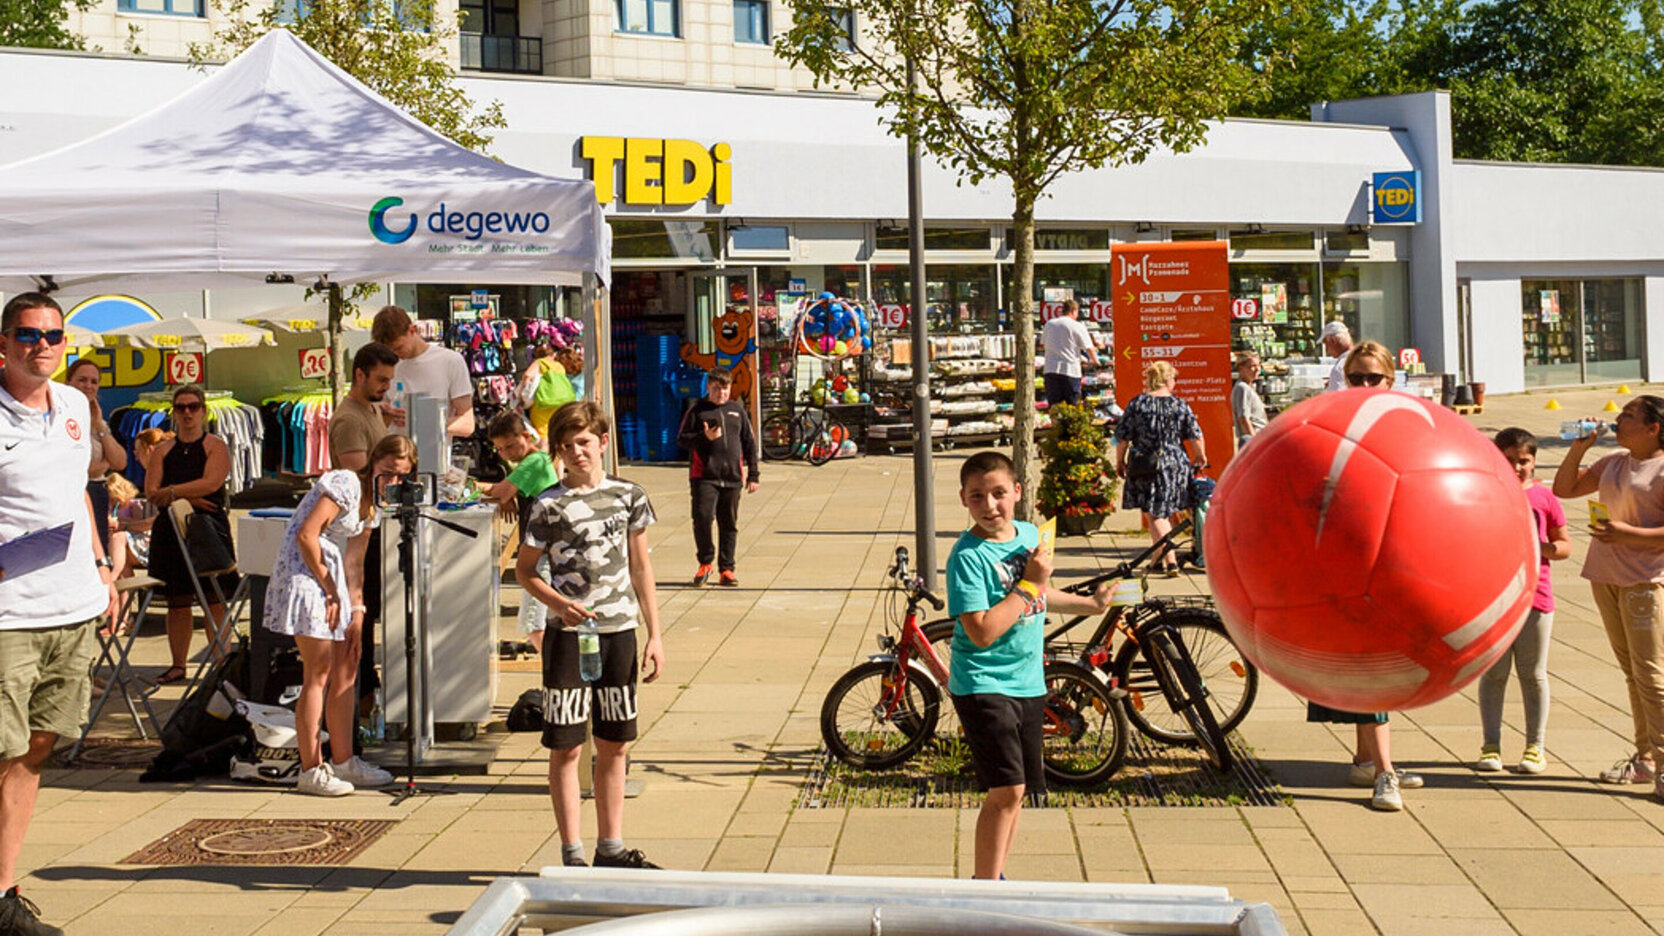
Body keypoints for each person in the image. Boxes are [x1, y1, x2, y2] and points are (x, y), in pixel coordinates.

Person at [0, 292, 118, 936]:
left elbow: (79, 493)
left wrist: (102, 567)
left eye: (52, 335)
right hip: (7, 613)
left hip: (71, 605)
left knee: (37, 749)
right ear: (4, 342)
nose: (40, 345)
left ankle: (2, 895)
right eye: (26, 334)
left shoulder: (76, 405)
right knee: (1, 749)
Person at [948, 451, 1111, 880]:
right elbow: (983, 631)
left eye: (999, 494)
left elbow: (1041, 594)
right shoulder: (966, 558)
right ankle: (983, 889)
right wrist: (1028, 584)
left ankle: (995, 876)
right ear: (964, 499)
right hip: (984, 683)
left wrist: (1090, 605)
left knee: (1018, 793)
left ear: (1018, 493)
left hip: (1028, 681)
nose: (990, 506)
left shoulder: (1027, 534)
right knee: (1007, 789)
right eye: (978, 497)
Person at [516, 401, 665, 869]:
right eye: (567, 445)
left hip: (619, 631)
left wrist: (656, 635)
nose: (577, 453)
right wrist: (557, 604)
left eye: (584, 442)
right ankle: (571, 852)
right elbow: (525, 571)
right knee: (566, 743)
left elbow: (641, 566)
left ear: (602, 442)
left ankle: (611, 846)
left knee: (615, 742)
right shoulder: (548, 504)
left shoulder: (629, 496)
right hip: (567, 636)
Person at [1305, 340, 1423, 810]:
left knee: (1371, 666)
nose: (1366, 386)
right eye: (1358, 378)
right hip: (1346, 561)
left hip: (1388, 558)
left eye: (1375, 378)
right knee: (1368, 665)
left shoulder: (1403, 424)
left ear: (1390, 381)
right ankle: (1385, 773)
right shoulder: (1331, 424)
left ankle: (1365, 760)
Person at [263, 434, 415, 796]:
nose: (393, 483)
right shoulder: (346, 482)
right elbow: (306, 534)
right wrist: (332, 591)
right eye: (388, 473)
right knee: (318, 672)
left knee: (347, 666)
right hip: (306, 576)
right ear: (373, 464)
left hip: (333, 582)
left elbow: (355, 561)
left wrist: (357, 611)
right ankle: (311, 767)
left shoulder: (373, 506)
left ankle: (345, 760)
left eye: (401, 477)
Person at [1553, 395, 1664, 796]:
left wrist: (1628, 534)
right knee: (1632, 674)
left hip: (1644, 581)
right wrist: (1578, 449)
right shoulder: (1615, 461)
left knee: (1651, 674)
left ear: (1653, 428)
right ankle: (1645, 759)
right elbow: (1564, 489)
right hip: (1606, 576)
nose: (1619, 419)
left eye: (1629, 416)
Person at [1475, 428, 1569, 775]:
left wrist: (1538, 546)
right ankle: (1491, 744)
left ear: (1534, 462)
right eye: (1509, 459)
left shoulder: (1544, 499)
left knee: (1533, 674)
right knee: (1494, 673)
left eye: (1524, 461)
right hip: (1494, 598)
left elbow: (1564, 546)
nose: (1516, 467)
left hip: (1536, 596)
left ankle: (1535, 746)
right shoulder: (1483, 493)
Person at [143, 383, 237, 686]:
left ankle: (221, 661)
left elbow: (211, 482)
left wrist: (173, 493)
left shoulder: (215, 445)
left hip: (208, 528)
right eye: (181, 407)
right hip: (170, 531)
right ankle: (178, 664)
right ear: (174, 412)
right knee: (177, 600)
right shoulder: (163, 450)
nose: (187, 413)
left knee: (215, 597)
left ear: (203, 411)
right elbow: (150, 493)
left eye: (192, 406)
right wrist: (187, 499)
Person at [327, 342, 397, 723]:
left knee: (367, 612)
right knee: (361, 614)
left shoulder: (370, 409)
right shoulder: (350, 418)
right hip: (357, 532)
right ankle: (361, 698)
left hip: (369, 524)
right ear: (359, 374)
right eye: (381, 379)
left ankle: (366, 693)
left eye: (389, 379)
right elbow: (356, 475)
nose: (387, 386)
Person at [1114, 361, 1206, 576]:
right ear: (1167, 380)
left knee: (1155, 514)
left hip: (1146, 463)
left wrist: (1120, 461)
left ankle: (1170, 559)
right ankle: (1157, 559)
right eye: (1174, 379)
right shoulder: (1179, 405)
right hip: (1175, 464)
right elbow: (1195, 434)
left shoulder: (1138, 404)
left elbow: (1122, 437)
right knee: (1163, 512)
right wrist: (1200, 456)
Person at [675, 368, 759, 587]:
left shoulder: (737, 411)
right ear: (708, 388)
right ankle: (705, 562)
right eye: (715, 388)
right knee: (702, 518)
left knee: (728, 523)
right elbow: (682, 440)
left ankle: (727, 569)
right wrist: (705, 437)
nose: (721, 393)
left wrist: (753, 474)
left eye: (724, 388)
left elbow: (749, 443)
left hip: (732, 477)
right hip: (704, 477)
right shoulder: (697, 410)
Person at [484, 410, 560, 645]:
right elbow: (506, 492)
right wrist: (508, 496)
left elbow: (501, 491)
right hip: (544, 548)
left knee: (533, 623)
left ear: (526, 436)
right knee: (545, 619)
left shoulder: (534, 460)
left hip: (542, 552)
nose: (505, 453)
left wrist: (502, 494)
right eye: (499, 449)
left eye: (508, 446)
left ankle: (553, 673)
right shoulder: (534, 461)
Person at [370, 305, 474, 439]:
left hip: (432, 455)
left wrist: (423, 423)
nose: (395, 354)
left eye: (399, 347)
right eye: (389, 351)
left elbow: (467, 423)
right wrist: (382, 413)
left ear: (412, 330)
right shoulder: (388, 365)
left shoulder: (450, 361)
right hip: (394, 454)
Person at [62, 357, 126, 556]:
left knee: (98, 553)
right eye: (82, 380)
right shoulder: (60, 417)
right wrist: (103, 464)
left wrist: (99, 425)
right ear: (68, 383)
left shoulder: (98, 420)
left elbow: (120, 461)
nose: (88, 386)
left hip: (97, 493)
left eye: (93, 381)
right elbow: (71, 468)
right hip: (71, 494)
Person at [1040, 300, 1101, 407]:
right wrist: (1096, 362)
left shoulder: (1049, 324)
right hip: (1070, 370)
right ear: (1074, 311)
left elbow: (1044, 344)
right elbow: (1089, 348)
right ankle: (1070, 423)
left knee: (1054, 405)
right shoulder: (1077, 326)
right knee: (1072, 404)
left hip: (1050, 369)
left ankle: (1056, 423)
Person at [518, 342, 576, 439]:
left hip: (543, 402)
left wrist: (522, 392)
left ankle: (546, 451)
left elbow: (528, 375)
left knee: (542, 432)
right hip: (559, 401)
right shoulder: (559, 366)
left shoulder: (540, 362)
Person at [1231, 351, 1267, 447]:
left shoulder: (1249, 387)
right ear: (1241, 369)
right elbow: (1243, 419)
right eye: (1252, 366)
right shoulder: (1242, 388)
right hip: (1252, 440)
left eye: (1258, 365)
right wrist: (1255, 444)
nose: (1257, 369)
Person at [1320, 320, 1354, 393]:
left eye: (1326, 344)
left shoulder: (1340, 367)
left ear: (1333, 341)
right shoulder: (1363, 358)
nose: (1326, 349)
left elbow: (1336, 399)